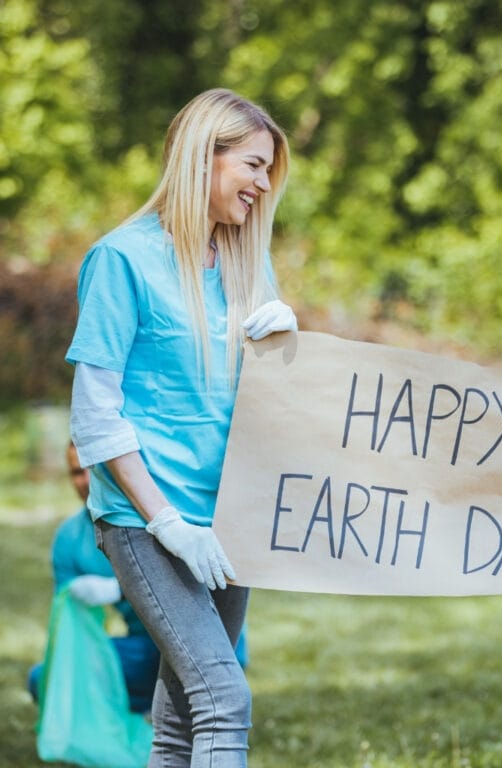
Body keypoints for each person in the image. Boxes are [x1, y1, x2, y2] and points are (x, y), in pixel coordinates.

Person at [65, 88, 295, 767]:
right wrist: (166, 523)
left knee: (183, 720)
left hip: (231, 522)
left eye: (267, 172)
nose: (261, 184)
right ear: (205, 156)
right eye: (252, 165)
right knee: (225, 699)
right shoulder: (122, 260)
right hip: (148, 522)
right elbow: (94, 415)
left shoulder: (249, 261)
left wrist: (289, 346)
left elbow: (272, 402)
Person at [28, 441, 160, 714]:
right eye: (77, 472)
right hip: (139, 650)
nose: (86, 480)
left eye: (94, 468)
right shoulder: (69, 539)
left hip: (188, 646)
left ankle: (158, 707)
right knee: (43, 679)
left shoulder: (153, 516)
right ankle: (153, 708)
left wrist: (122, 588)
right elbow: (70, 627)